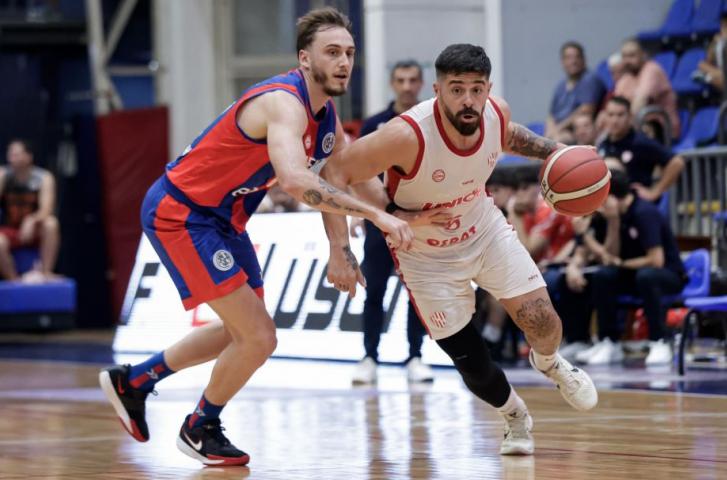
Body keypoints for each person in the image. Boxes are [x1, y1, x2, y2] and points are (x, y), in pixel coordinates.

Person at [97, 7, 428, 467]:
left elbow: (340, 174)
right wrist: (375, 217)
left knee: (241, 333)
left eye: (350, 53)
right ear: (305, 58)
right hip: (183, 213)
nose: (344, 62)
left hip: (224, 218)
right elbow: (297, 180)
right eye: (332, 52)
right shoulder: (283, 103)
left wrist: (383, 224)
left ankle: (133, 382)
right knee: (259, 337)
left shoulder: (325, 116)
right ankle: (199, 426)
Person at [323, 43, 599, 456]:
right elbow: (336, 172)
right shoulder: (406, 134)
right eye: (456, 89)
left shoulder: (495, 113)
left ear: (488, 89)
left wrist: (557, 151)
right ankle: (514, 415)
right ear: (437, 90)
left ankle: (549, 362)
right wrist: (387, 216)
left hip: (483, 229)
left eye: (476, 89)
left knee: (544, 322)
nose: (468, 100)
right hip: (424, 254)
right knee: (472, 361)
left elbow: (510, 135)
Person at [350, 59, 433, 385]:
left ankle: (415, 356)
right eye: (401, 80)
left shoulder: (433, 122)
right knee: (375, 290)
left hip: (419, 220)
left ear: (421, 83)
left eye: (413, 80)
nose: (407, 86)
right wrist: (358, 211)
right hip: (380, 220)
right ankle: (369, 356)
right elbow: (356, 170)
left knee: (417, 292)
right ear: (392, 84)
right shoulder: (374, 124)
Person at [586, 170, 686, 365]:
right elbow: (610, 257)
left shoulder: (644, 213)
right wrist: (613, 222)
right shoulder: (612, 215)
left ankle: (659, 340)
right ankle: (610, 342)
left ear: (611, 196)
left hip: (668, 275)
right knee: (602, 276)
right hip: (635, 275)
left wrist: (622, 264)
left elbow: (656, 261)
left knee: (647, 276)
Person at [598, 96, 684, 203]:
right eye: (611, 115)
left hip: (635, 204)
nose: (615, 120)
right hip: (609, 204)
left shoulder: (640, 142)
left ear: (630, 117)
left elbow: (676, 162)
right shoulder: (603, 143)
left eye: (620, 115)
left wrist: (655, 192)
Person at [0, 139, 60, 281]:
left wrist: (31, 220)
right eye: (10, 154)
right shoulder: (4, 176)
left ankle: (46, 272)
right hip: (11, 230)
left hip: (34, 230)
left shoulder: (44, 178)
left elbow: (47, 209)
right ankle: (13, 280)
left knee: (51, 224)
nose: (12, 158)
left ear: (28, 157)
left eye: (16, 154)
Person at [612, 39, 680, 140]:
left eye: (631, 55)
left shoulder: (652, 70)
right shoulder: (627, 77)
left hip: (661, 131)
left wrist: (618, 123)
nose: (627, 61)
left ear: (643, 55)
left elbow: (639, 104)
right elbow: (614, 105)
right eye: (624, 56)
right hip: (637, 128)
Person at [545, 41, 606, 143]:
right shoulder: (560, 86)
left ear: (584, 60)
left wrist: (557, 130)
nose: (573, 61)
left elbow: (586, 110)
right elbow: (551, 115)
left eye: (577, 57)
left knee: (557, 142)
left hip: (577, 131)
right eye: (568, 58)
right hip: (558, 130)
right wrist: (549, 133)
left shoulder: (589, 80)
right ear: (562, 62)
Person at [694, 12, 727, 93]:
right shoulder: (719, 42)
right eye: (722, 26)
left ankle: (708, 78)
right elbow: (707, 61)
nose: (723, 29)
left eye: (725, 26)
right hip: (720, 74)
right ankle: (711, 77)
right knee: (701, 65)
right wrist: (714, 44)